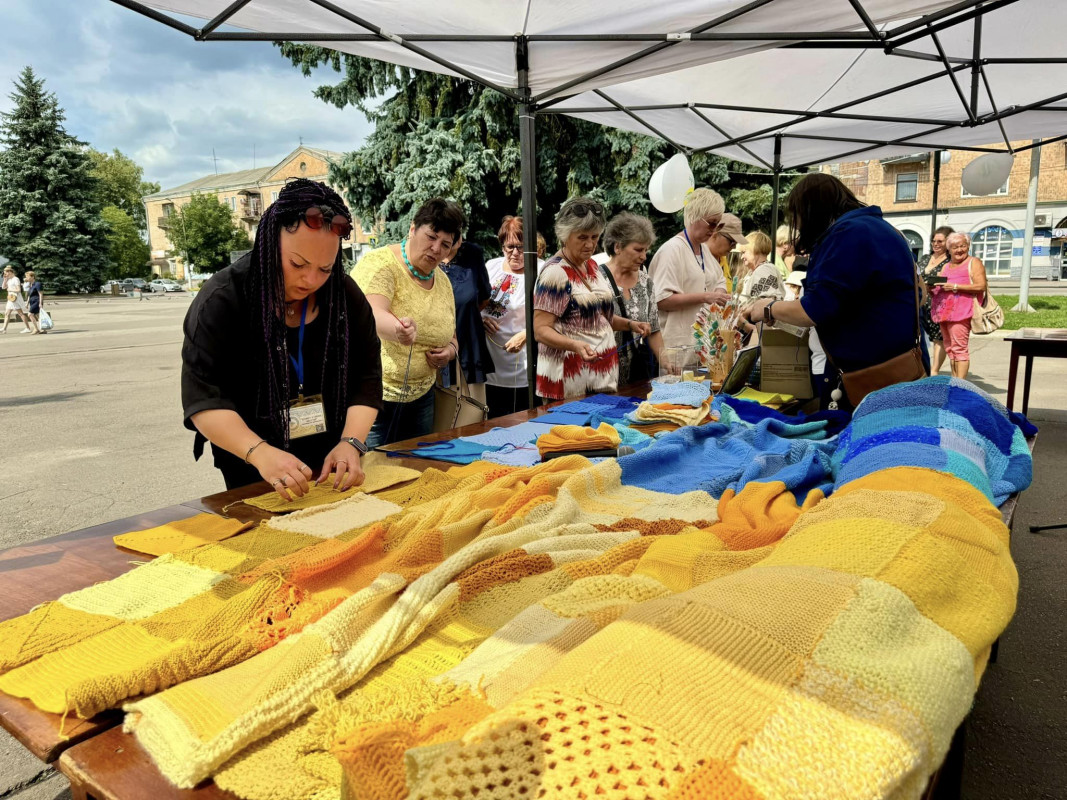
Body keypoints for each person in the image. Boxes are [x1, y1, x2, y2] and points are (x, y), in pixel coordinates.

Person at [182, 179, 382, 497]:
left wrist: (351, 442)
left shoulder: (344, 295)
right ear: (269, 242)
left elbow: (368, 377)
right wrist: (259, 453)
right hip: (250, 461)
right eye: (297, 264)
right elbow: (203, 399)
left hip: (331, 459)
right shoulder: (222, 300)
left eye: (325, 268)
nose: (311, 280)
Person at [743, 173, 929, 408]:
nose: (797, 226)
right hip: (902, 369)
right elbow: (921, 294)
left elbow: (815, 310)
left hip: (874, 379)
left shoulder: (847, 235)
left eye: (797, 217)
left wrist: (768, 308)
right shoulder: (883, 229)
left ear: (810, 210)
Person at [354, 198, 461, 447]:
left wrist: (449, 352)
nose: (436, 249)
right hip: (375, 400)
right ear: (413, 228)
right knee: (374, 475)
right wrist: (398, 330)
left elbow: (452, 335)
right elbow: (371, 313)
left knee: (415, 470)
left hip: (423, 397)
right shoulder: (380, 264)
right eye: (431, 237)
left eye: (445, 244)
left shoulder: (442, 281)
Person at [533, 197, 650, 400]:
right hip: (568, 385)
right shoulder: (555, 272)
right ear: (565, 235)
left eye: (595, 237)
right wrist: (575, 345)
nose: (590, 244)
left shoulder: (592, 267)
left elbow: (600, 319)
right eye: (582, 237)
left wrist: (631, 325)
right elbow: (541, 331)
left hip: (601, 380)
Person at [648, 188, 731, 357]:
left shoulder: (704, 250)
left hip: (701, 347)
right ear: (695, 216)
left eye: (719, 225)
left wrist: (719, 295)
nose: (715, 230)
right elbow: (661, 300)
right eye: (712, 223)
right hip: (676, 349)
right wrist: (706, 297)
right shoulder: (672, 250)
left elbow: (719, 281)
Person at [482, 215, 543, 417]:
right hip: (490, 366)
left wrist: (527, 333)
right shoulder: (491, 266)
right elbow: (471, 302)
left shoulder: (541, 270)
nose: (516, 253)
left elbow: (556, 316)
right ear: (502, 246)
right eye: (510, 247)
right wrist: (479, 319)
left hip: (522, 367)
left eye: (522, 246)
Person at [602, 212, 663, 386]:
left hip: (636, 376)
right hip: (602, 376)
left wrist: (666, 363)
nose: (644, 256)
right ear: (618, 247)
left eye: (646, 250)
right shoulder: (596, 279)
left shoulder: (646, 281)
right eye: (638, 249)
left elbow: (655, 329)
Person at [439, 233, 493, 407]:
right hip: (436, 351)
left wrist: (466, 312)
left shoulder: (472, 254)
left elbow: (484, 297)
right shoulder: (428, 255)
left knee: (472, 413)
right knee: (441, 418)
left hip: (469, 346)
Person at [930, 232, 987, 380]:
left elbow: (981, 286)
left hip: (962, 312)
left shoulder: (973, 262)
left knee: (960, 349)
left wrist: (955, 286)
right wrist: (931, 288)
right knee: (950, 349)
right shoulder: (947, 266)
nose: (959, 250)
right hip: (945, 313)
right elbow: (941, 289)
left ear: (968, 246)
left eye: (963, 246)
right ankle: (955, 381)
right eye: (955, 247)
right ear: (949, 249)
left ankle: (960, 386)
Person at [918, 225, 954, 374]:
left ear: (948, 242)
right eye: (934, 241)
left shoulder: (950, 262)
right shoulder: (926, 258)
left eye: (940, 241)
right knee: (920, 337)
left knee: (938, 338)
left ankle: (934, 371)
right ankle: (921, 367)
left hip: (939, 304)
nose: (936, 244)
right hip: (920, 303)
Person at [738, 231, 784, 302]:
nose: (742, 257)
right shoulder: (758, 270)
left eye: (744, 252)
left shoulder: (764, 270)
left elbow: (764, 303)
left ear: (755, 249)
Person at [2, 265, 39, 334]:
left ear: (10, 272)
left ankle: (28, 328)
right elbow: (3, 287)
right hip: (11, 298)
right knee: (7, 313)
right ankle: (4, 329)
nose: (5, 274)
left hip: (15, 299)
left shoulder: (16, 279)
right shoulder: (9, 279)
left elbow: (18, 290)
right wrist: (5, 279)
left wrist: (10, 289)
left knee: (20, 313)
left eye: (6, 273)